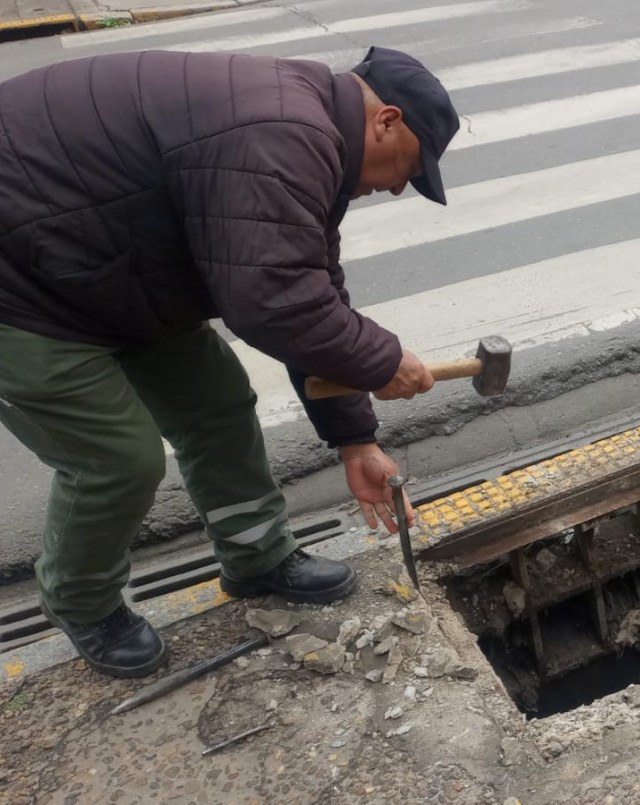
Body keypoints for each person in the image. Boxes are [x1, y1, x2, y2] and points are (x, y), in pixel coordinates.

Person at [0, 46, 461, 678]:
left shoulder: (303, 131)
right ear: (385, 119)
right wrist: (382, 361)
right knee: (116, 458)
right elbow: (274, 301)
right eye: (407, 168)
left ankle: (256, 555)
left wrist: (356, 440)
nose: (394, 186)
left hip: (109, 271)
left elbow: (308, 292)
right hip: (20, 288)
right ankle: (81, 604)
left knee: (217, 406)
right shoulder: (284, 132)